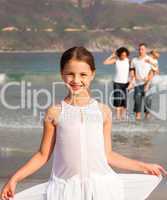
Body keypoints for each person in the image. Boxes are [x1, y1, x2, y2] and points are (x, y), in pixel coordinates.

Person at [0, 46, 166, 200]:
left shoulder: (103, 111)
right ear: (61, 73)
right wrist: (15, 178)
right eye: (70, 74)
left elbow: (108, 155)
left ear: (93, 74)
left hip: (101, 188)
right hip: (65, 190)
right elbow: (43, 155)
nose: (76, 80)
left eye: (83, 74)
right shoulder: (55, 112)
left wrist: (143, 166)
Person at [103, 47, 130, 121]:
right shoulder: (116, 61)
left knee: (124, 100)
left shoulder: (128, 61)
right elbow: (105, 62)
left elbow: (134, 69)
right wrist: (112, 55)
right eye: (122, 55)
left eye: (125, 55)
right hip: (117, 82)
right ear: (119, 55)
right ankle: (118, 117)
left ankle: (123, 116)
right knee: (118, 100)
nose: (123, 56)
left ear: (127, 55)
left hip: (126, 83)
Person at [130, 43, 154, 120]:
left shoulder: (150, 59)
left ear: (146, 50)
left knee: (148, 102)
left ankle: (147, 122)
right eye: (139, 49)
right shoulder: (134, 60)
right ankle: (138, 123)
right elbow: (131, 70)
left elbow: (152, 72)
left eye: (142, 49)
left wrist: (147, 84)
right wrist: (133, 77)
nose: (141, 51)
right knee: (137, 103)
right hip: (137, 85)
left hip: (148, 84)